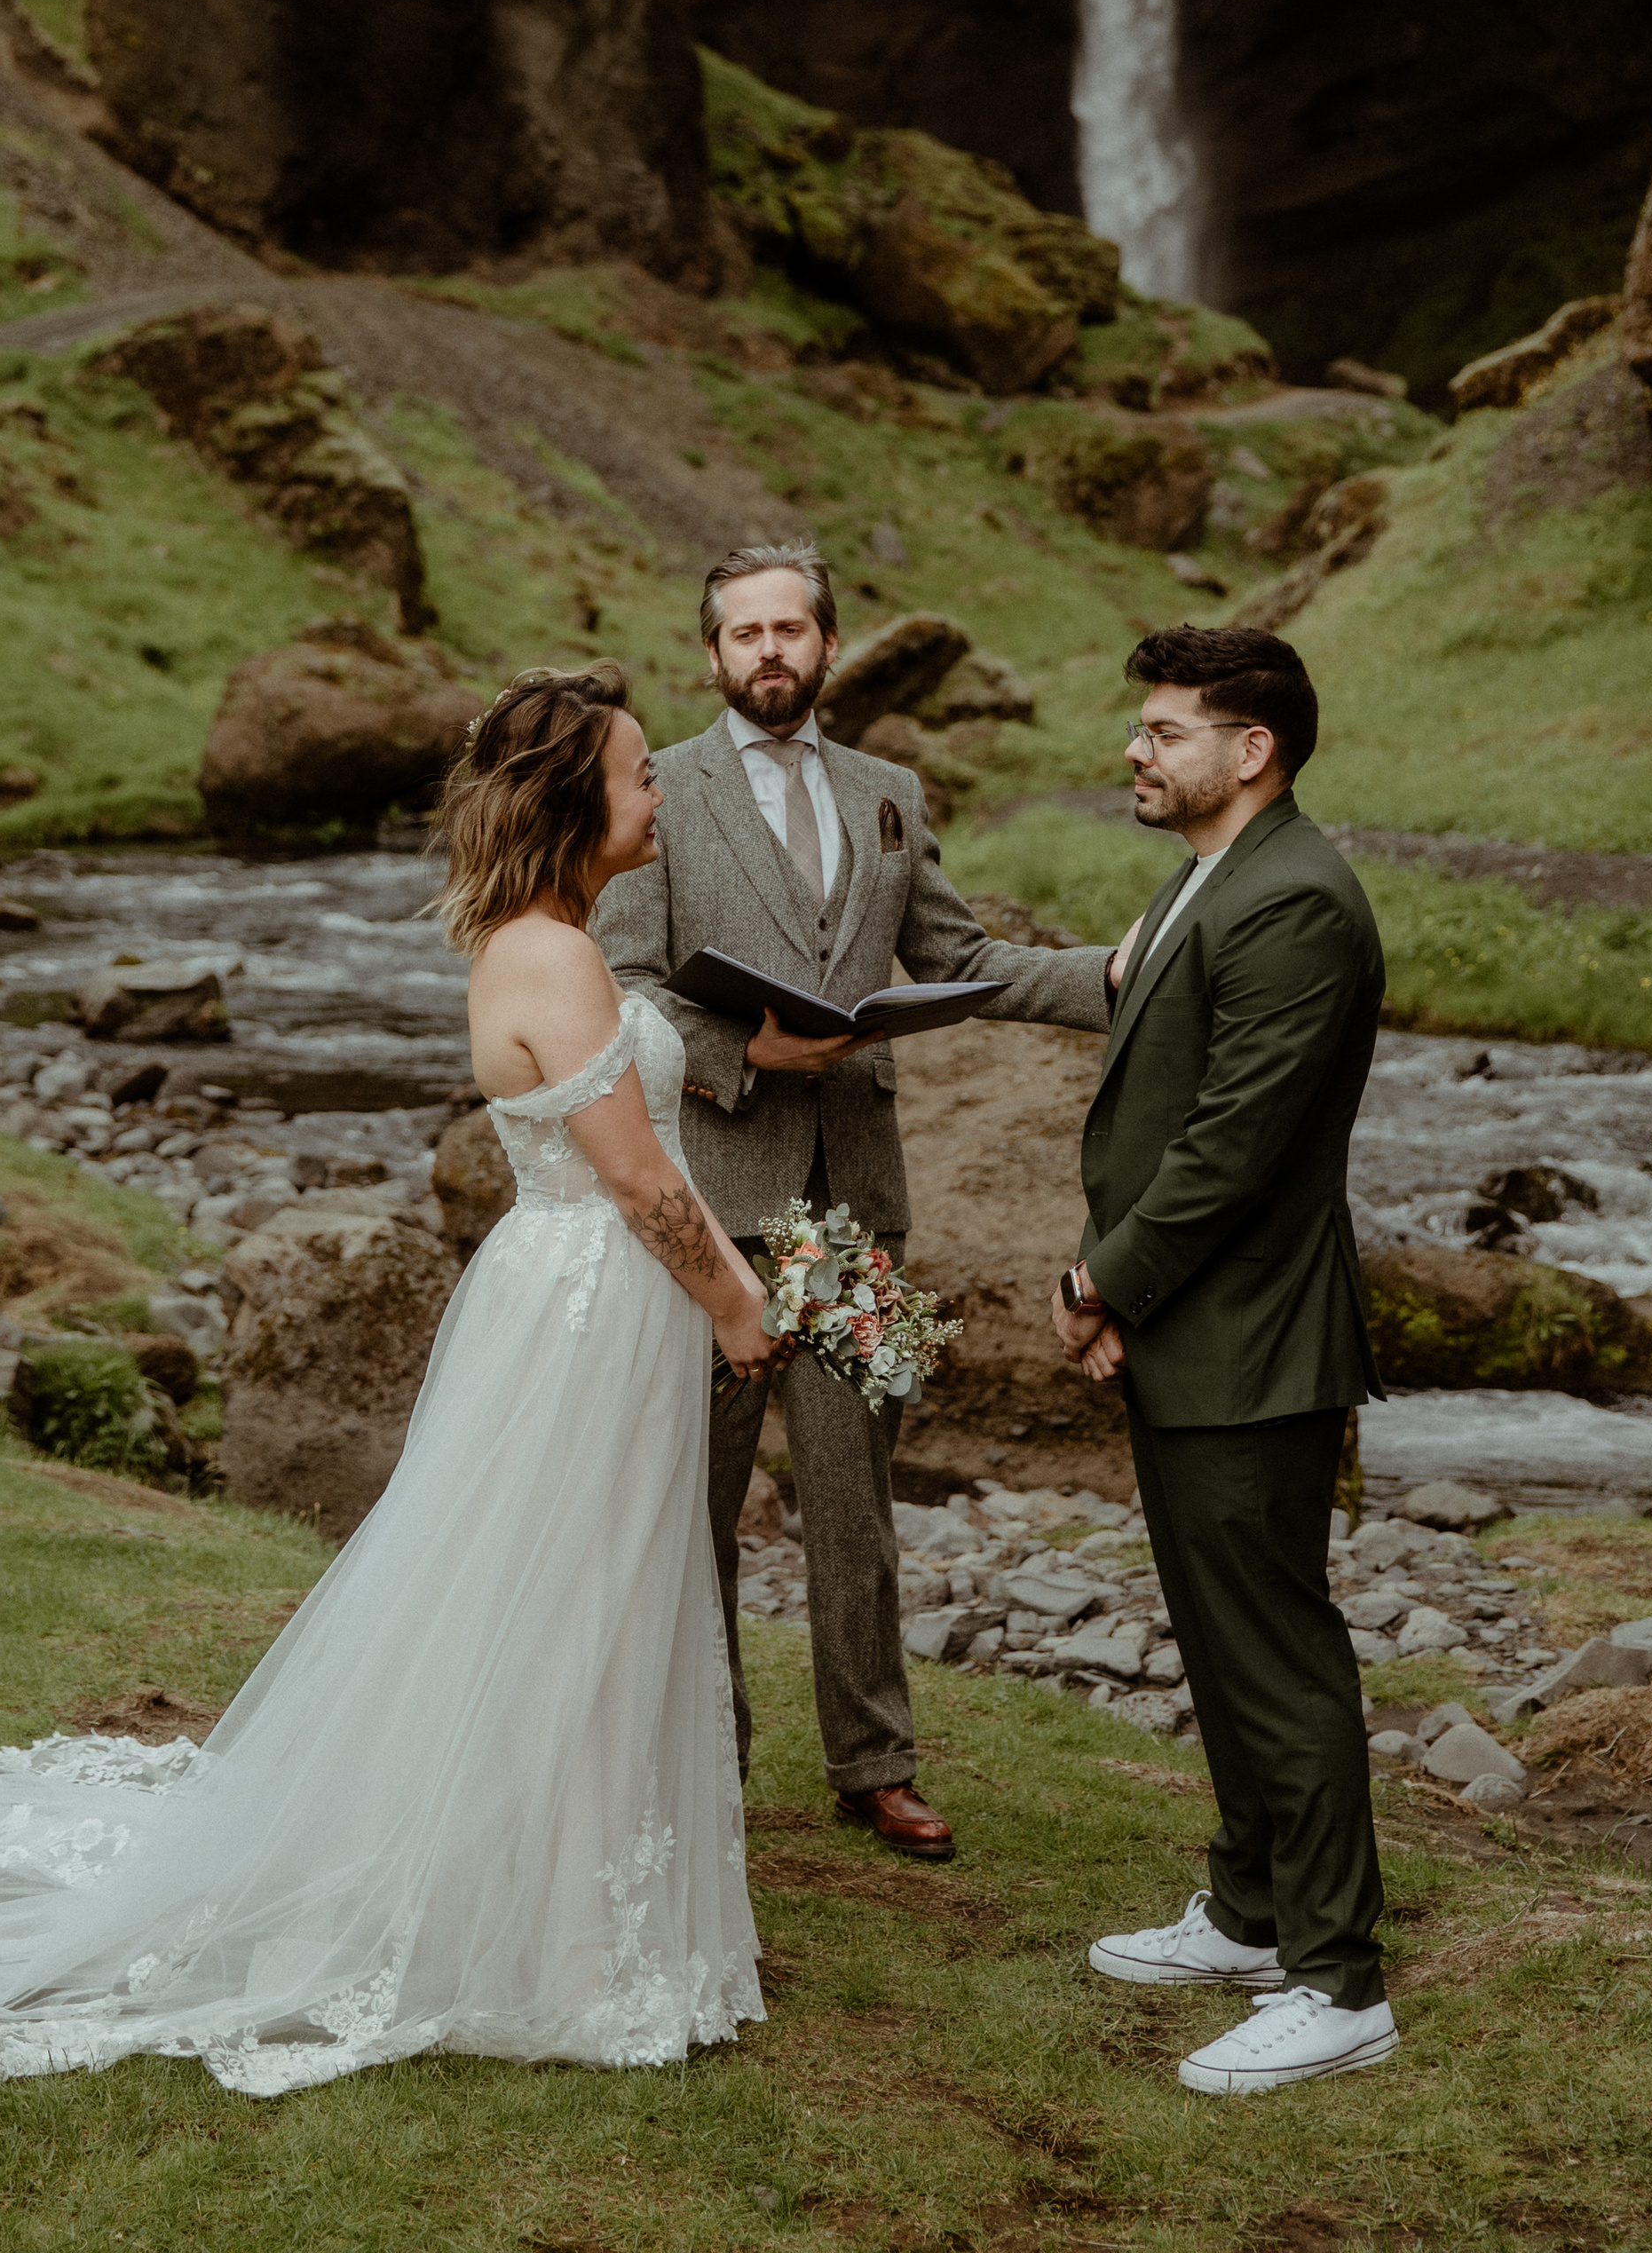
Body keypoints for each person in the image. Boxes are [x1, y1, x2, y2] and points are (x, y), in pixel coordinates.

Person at [0, 665, 769, 2089]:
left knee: (599, 1598)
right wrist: (745, 1301)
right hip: (587, 1299)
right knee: (567, 1602)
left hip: (598, 1302)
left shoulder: (559, 937)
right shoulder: (553, 958)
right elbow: (636, 1179)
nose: (659, 792)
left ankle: (577, 1919)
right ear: (575, 801)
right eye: (638, 774)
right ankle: (559, 1948)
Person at [596, 542, 1111, 1863]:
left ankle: (875, 1763)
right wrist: (740, 1055)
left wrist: (1123, 976)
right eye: (744, 633)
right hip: (714, 1214)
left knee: (855, 1501)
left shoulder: (891, 793)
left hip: (857, 1211)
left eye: (791, 629)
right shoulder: (664, 792)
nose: (769, 651)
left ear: (829, 644)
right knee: (691, 1506)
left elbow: (962, 960)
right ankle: (705, 1759)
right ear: (709, 656)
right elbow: (625, 984)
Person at [1054, 622, 1392, 2097]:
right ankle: (1251, 1915)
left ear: (1250, 750)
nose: (1137, 749)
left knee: (1278, 1655)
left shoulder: (1301, 900)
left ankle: (1336, 1982)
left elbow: (1231, 1146)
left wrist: (1098, 1277)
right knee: (1218, 1640)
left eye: (1165, 730)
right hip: (1197, 1331)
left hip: (1253, 1334)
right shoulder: (1212, 875)